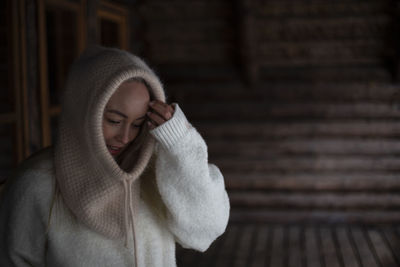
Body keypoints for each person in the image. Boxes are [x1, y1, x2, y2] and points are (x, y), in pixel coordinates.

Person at [0, 46, 230, 266]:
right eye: (114, 121)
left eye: (138, 124)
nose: (125, 137)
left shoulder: (156, 173)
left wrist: (183, 145)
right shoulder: (35, 183)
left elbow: (205, 232)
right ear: (84, 110)